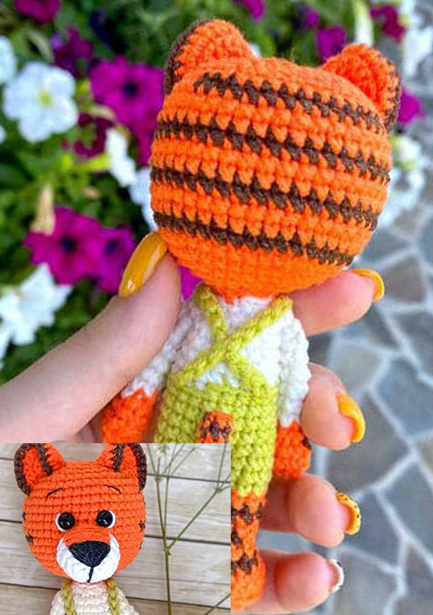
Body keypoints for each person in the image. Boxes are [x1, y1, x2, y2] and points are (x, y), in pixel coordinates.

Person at [0, 237, 384, 613]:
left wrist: (287, 438)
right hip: (184, 422)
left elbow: (293, 387)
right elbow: (156, 363)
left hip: (248, 432)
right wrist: (134, 406)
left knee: (238, 496)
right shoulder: (198, 311)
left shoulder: (281, 326)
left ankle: (232, 561)